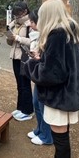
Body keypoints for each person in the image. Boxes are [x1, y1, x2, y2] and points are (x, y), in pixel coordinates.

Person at [24, 0, 79, 158]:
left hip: (58, 96)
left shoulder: (56, 35)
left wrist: (32, 64)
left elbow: (51, 74)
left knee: (60, 141)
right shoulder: (71, 31)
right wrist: (44, 60)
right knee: (64, 136)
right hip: (72, 91)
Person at [26, 9, 53, 145]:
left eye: (32, 21)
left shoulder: (51, 36)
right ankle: (40, 130)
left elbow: (51, 60)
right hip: (39, 74)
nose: (30, 24)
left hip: (45, 77)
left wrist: (39, 57)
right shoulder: (38, 34)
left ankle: (47, 137)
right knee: (36, 103)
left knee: (43, 106)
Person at [6, 1, 33, 121]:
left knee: (25, 84)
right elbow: (10, 43)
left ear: (25, 11)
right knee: (19, 84)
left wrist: (19, 38)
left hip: (25, 58)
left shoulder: (30, 24)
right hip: (15, 57)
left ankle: (27, 111)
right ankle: (20, 107)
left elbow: (34, 42)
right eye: (15, 14)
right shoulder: (14, 24)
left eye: (19, 13)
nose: (17, 16)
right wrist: (10, 38)